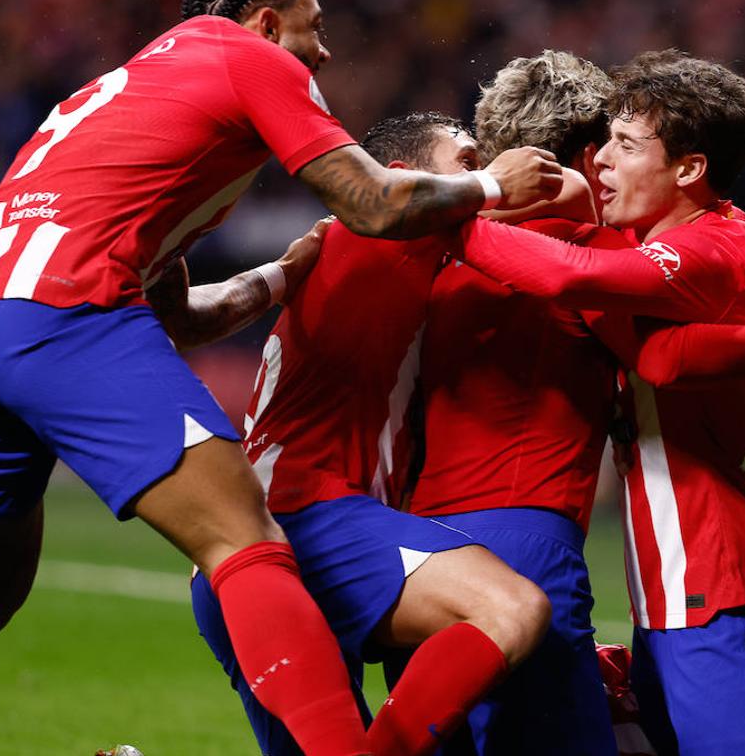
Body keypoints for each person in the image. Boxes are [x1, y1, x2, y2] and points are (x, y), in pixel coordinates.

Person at [0, 0, 562, 753]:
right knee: (245, 541)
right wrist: (491, 187)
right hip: (57, 306)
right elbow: (374, 202)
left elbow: (179, 316)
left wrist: (277, 276)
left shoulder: (133, 91)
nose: (325, 51)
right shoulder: (245, 56)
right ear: (267, 23)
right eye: (315, 27)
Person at [407, 51, 745, 755]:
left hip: (731, 581)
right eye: (602, 142)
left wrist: (439, 208)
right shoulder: (639, 256)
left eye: (625, 145)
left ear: (689, 170)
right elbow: (660, 359)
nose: (602, 162)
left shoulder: (716, 244)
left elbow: (567, 275)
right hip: (671, 588)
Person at [186, 112, 552, 756]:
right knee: (509, 609)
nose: (481, 175)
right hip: (304, 520)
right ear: (405, 180)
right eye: (465, 161)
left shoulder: (362, 248)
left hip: (252, 556)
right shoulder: (384, 230)